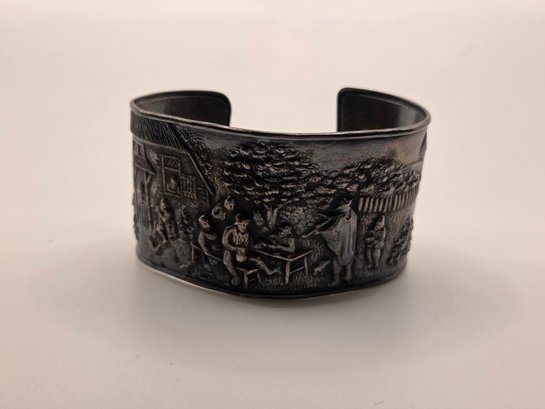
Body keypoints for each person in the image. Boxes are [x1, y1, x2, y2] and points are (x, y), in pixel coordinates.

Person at [305, 197, 357, 285]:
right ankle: (347, 276)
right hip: (348, 243)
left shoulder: (343, 217)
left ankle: (339, 279)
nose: (341, 209)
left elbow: (333, 229)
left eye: (341, 208)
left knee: (338, 258)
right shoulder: (353, 215)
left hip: (345, 242)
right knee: (347, 256)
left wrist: (321, 232)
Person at [222, 213, 278, 286]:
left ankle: (268, 271)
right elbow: (225, 242)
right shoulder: (230, 230)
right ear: (238, 224)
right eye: (243, 224)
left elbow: (251, 246)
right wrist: (235, 248)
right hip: (232, 254)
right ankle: (236, 276)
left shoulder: (248, 234)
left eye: (246, 224)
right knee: (227, 256)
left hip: (244, 256)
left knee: (258, 260)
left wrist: (260, 245)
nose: (245, 226)